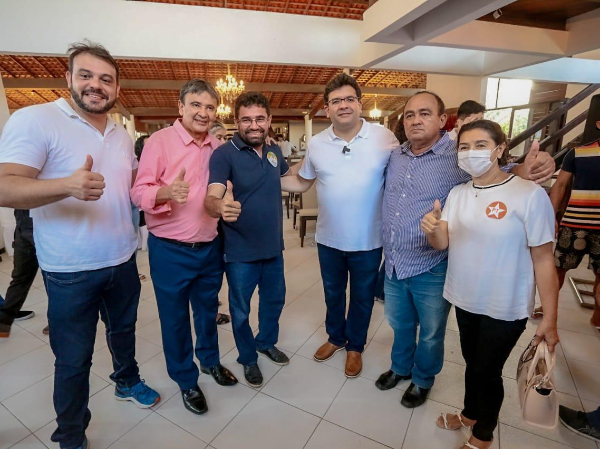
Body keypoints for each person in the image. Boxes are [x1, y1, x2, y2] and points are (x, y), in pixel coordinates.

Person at [0, 41, 159, 449]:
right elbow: (4, 187)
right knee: (73, 359)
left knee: (124, 333)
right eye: (86, 75)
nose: (96, 85)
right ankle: (71, 434)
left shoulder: (121, 134)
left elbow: (131, 186)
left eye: (106, 79)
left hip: (122, 260)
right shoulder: (37, 120)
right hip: (70, 270)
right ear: (68, 78)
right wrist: (65, 186)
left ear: (117, 88)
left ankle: (126, 381)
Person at [380, 91, 556, 409]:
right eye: (409, 115)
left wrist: (535, 164)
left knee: (431, 332)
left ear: (442, 120)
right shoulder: (396, 155)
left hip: (432, 264)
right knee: (399, 324)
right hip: (394, 262)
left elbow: (501, 171)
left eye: (424, 113)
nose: (416, 120)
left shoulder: (458, 154)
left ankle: (422, 379)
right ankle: (400, 367)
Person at [421, 119, 559, 449]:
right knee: (473, 363)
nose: (471, 153)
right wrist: (433, 229)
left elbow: (543, 259)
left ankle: (483, 434)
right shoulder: (458, 194)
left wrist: (551, 319)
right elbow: (442, 243)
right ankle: (470, 413)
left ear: (500, 149)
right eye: (464, 147)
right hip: (465, 297)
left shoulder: (528, 194)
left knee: (487, 369)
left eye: (480, 145)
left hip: (505, 303)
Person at [281, 73, 399, 378]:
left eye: (349, 99)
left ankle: (355, 346)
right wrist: (262, 180)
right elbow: (302, 182)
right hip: (329, 238)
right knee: (333, 293)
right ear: (327, 108)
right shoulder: (318, 144)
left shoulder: (384, 138)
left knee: (362, 297)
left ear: (359, 103)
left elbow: (403, 177)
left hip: (369, 239)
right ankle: (335, 337)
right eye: (336, 101)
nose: (343, 105)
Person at [131, 79, 237, 416]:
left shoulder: (219, 147)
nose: (203, 113)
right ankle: (186, 379)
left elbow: (225, 187)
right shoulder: (159, 142)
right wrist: (166, 193)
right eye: (196, 105)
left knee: (207, 312)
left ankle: (210, 361)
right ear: (181, 107)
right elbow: (138, 192)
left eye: (210, 107)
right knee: (174, 319)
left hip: (209, 246)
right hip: (170, 250)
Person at [205, 92, 290, 388]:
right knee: (240, 310)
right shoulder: (223, 154)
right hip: (240, 251)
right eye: (246, 119)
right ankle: (247, 357)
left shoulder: (274, 150)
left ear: (269, 120)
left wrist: (321, 169)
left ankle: (265, 342)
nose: (254, 125)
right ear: (236, 121)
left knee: (274, 301)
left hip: (273, 248)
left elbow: (288, 179)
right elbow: (212, 196)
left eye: (259, 119)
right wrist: (219, 206)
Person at [532, 118, 600, 327]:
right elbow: (560, 185)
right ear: (599, 124)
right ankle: (547, 306)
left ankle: (598, 315)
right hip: (574, 222)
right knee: (558, 267)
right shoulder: (578, 153)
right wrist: (550, 216)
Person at [0, 209, 37, 337]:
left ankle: (56, 321)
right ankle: (4, 321)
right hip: (23, 228)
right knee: (20, 277)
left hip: (43, 227)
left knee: (51, 277)